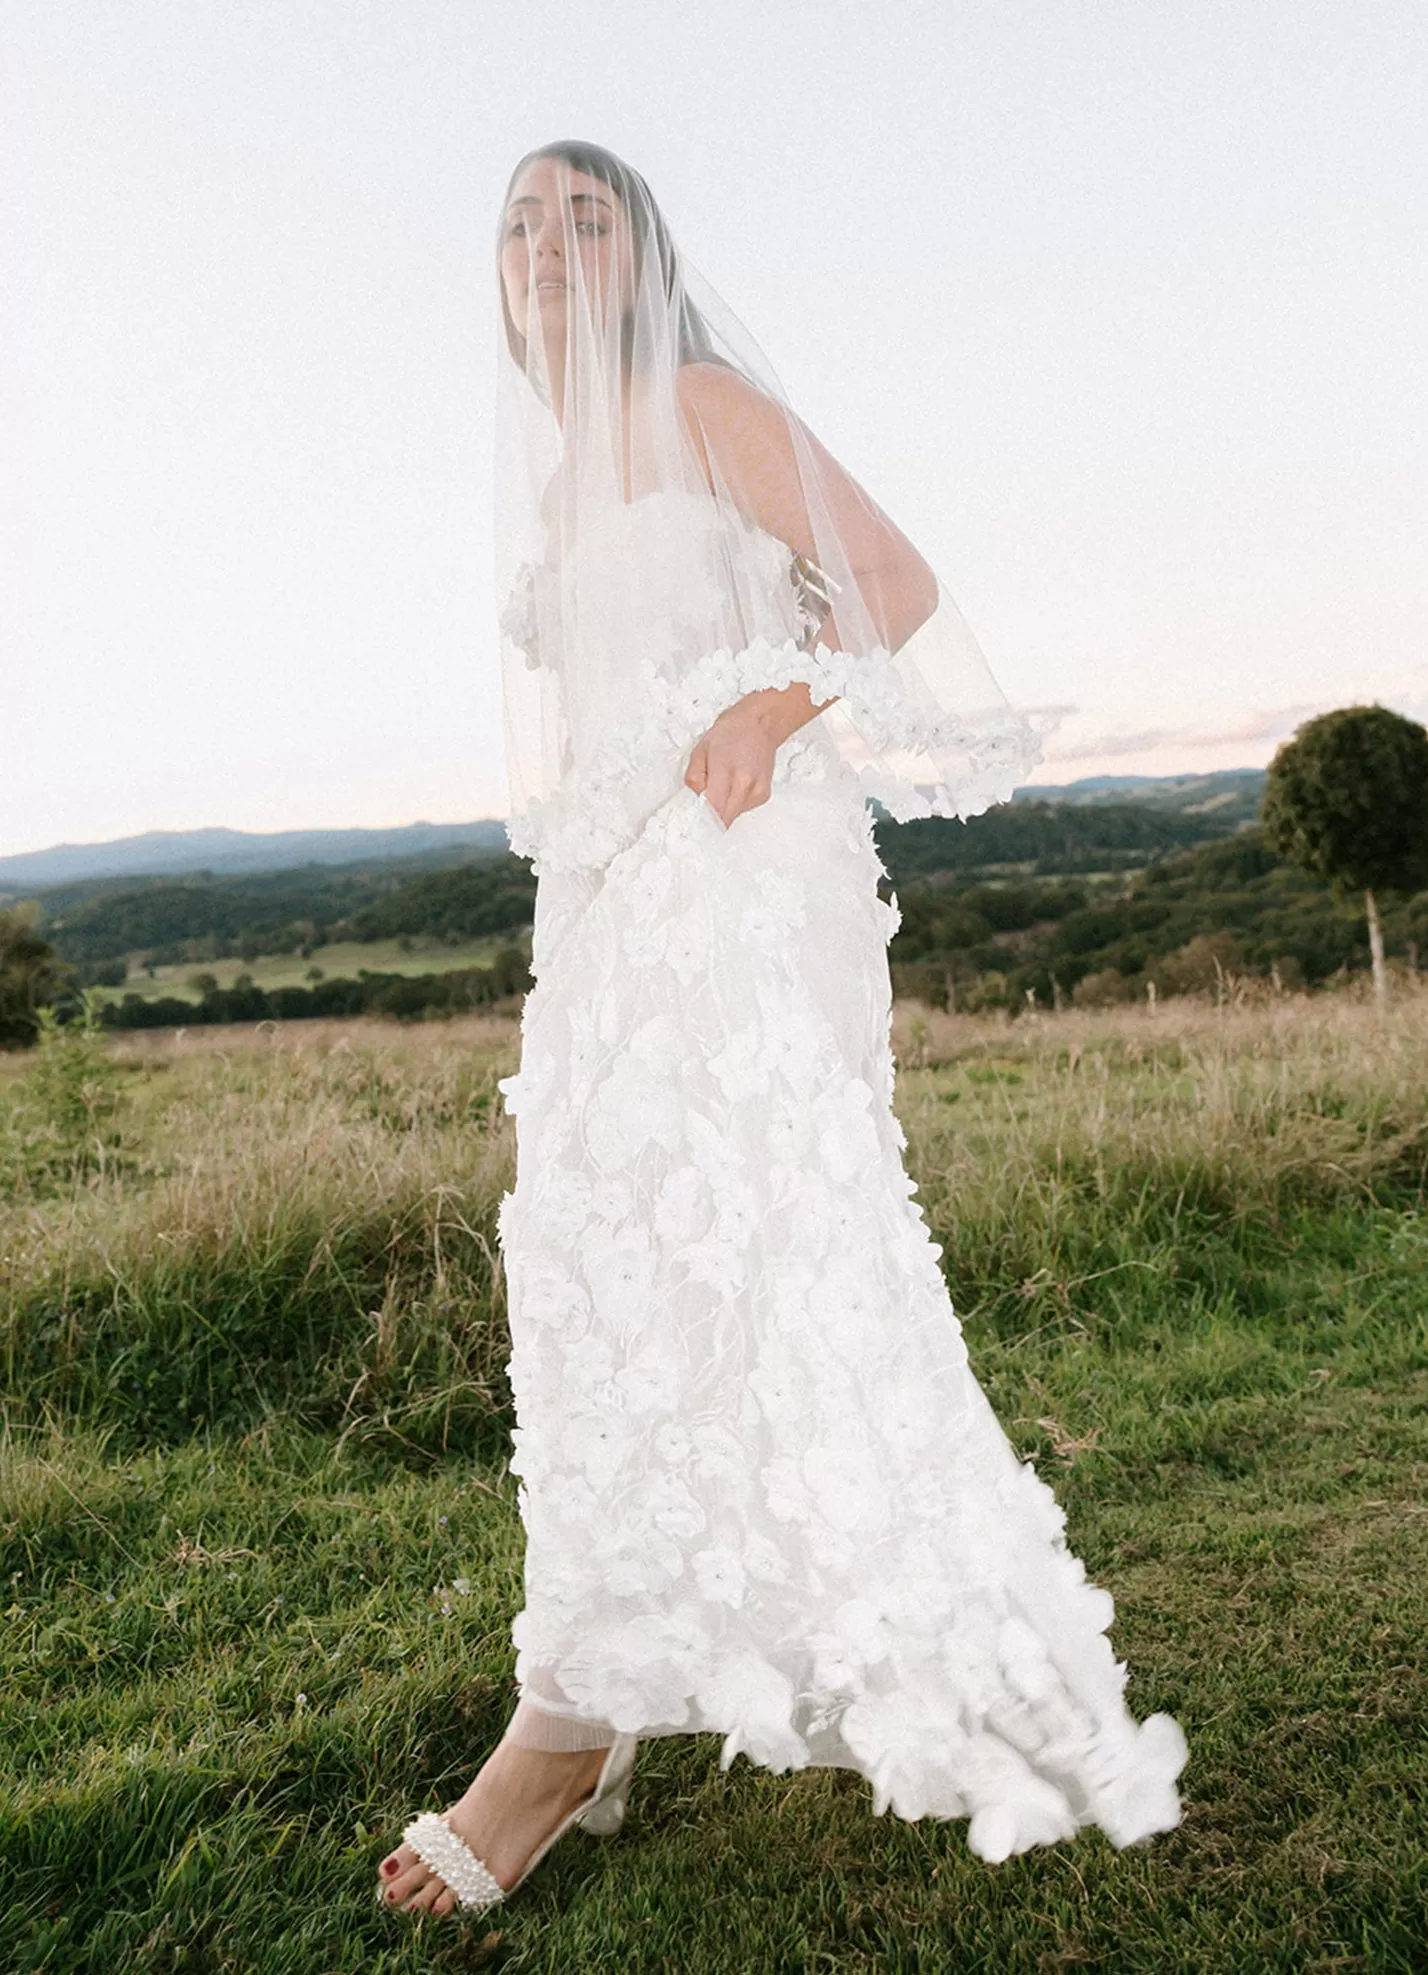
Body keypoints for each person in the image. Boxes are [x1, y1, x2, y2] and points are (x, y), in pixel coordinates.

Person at [378, 140, 1187, 1918]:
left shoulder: (695, 397)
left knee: (738, 1243)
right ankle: (614, 1672)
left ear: (643, 254)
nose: (549, 240)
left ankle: (565, 1722)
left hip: (736, 869)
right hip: (604, 895)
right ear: (496, 275)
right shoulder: (562, 475)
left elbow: (885, 585)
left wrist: (769, 692)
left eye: (589, 211)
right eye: (520, 217)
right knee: (609, 1265)